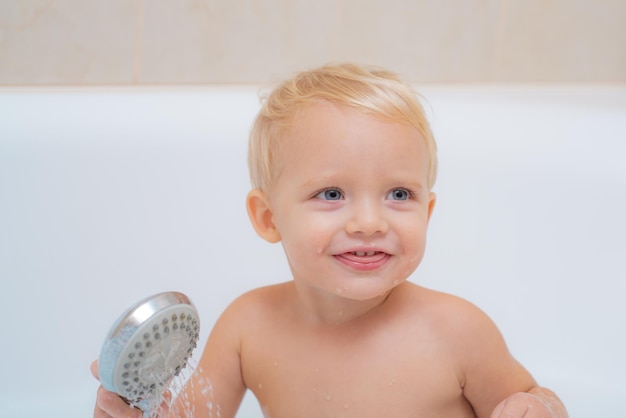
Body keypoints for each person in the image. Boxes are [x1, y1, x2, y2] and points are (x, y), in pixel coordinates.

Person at [91, 63, 568, 418]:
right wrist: (134, 408)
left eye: (398, 194)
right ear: (268, 217)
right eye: (332, 193)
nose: (368, 222)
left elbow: (537, 397)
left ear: (428, 211)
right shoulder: (248, 327)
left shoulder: (456, 331)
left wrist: (537, 407)